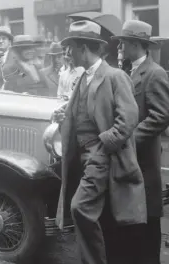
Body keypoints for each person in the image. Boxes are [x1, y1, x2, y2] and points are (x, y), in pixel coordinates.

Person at [53, 20, 147, 264]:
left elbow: (129, 119)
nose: (67, 54)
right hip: (82, 157)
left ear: (84, 48)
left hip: (101, 157)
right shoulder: (82, 78)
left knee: (79, 208)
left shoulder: (115, 77)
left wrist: (104, 144)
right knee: (94, 215)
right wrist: (64, 117)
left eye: (70, 48)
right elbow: (82, 113)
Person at [111, 20, 169, 264]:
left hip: (143, 161)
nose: (121, 46)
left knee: (147, 224)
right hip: (129, 162)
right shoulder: (126, 71)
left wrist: (128, 139)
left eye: (124, 42)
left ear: (136, 44)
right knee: (131, 223)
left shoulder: (154, 73)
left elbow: (161, 116)